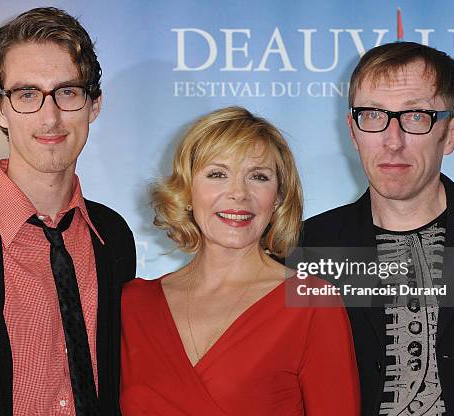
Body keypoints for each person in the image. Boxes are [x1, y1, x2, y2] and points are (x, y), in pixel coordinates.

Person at [301, 42, 454, 415]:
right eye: (373, 115)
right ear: (353, 130)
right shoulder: (307, 249)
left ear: (452, 133)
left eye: (416, 117)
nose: (392, 142)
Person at [0, 7, 135, 415]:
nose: (50, 116)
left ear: (94, 105)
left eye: (68, 92)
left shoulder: (112, 235)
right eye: (27, 95)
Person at [120, 106, 359, 415]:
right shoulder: (133, 304)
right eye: (217, 174)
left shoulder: (312, 304)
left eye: (258, 177)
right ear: (187, 191)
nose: (239, 194)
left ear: (278, 199)